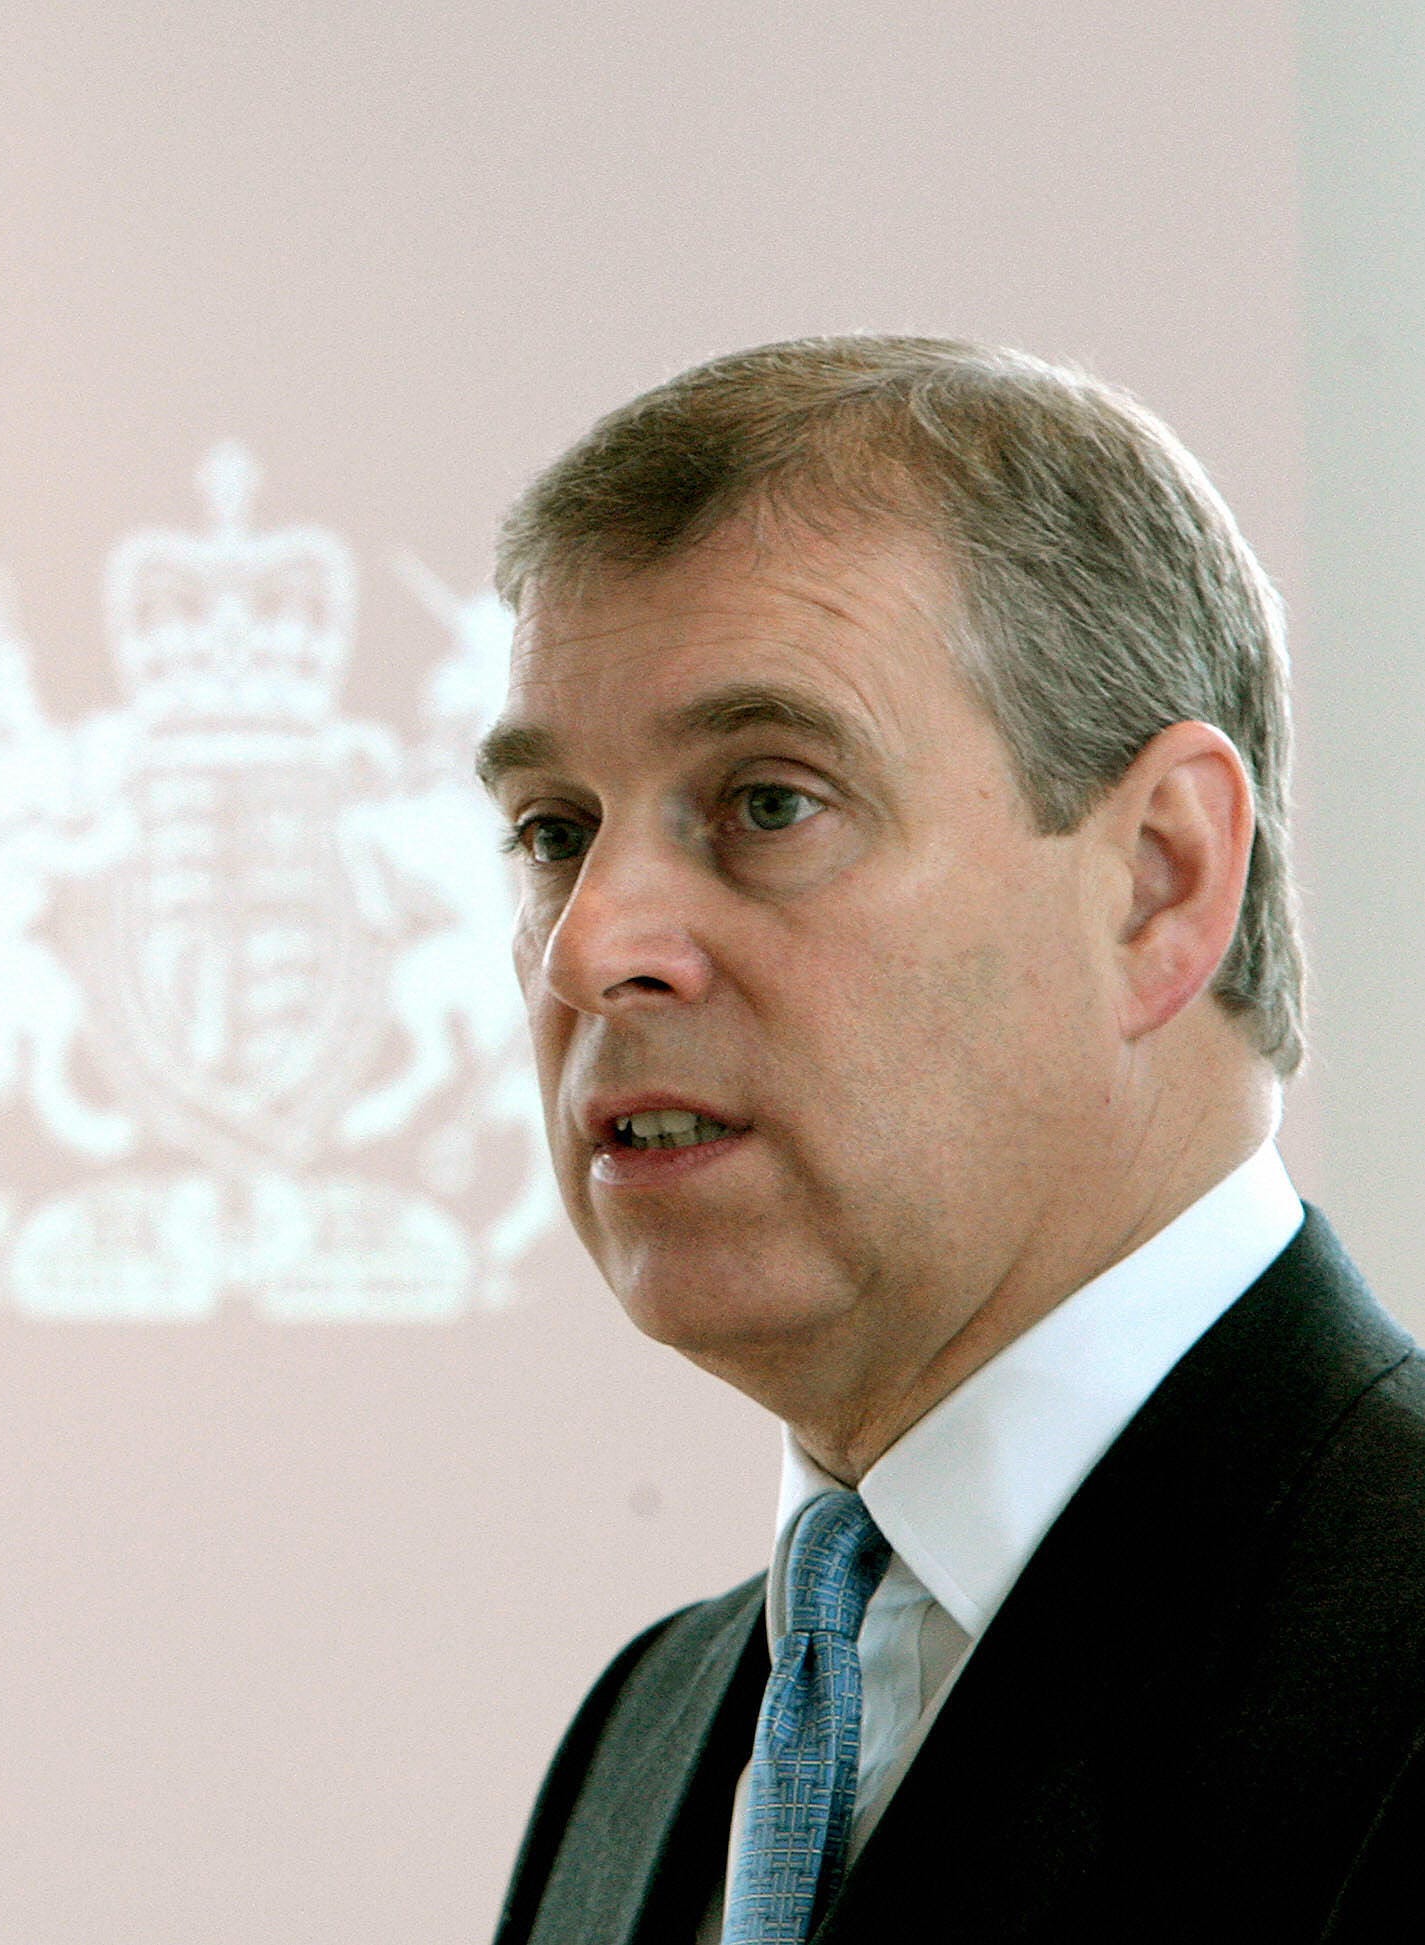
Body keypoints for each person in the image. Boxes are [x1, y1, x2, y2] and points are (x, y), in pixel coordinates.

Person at [478, 337, 1425, 1945]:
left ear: (1157, 878)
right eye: (553, 831)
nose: (592, 946)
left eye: (766, 802)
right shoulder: (646, 1730)